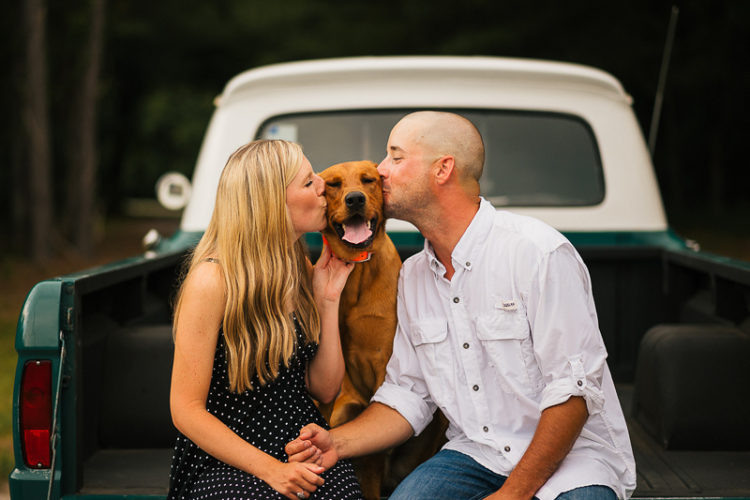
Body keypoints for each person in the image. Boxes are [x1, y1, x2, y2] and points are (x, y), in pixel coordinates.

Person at [286, 112, 636, 500]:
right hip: (475, 456)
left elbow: (574, 391)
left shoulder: (538, 252)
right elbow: (408, 395)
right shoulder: (415, 275)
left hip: (573, 462)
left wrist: (512, 494)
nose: (381, 171)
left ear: (443, 169)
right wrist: (336, 443)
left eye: (395, 157)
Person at [167, 139, 364, 500]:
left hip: (298, 446)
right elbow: (186, 410)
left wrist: (327, 299)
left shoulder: (298, 266)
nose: (323, 184)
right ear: (270, 201)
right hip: (227, 458)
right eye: (308, 182)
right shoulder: (212, 280)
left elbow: (324, 388)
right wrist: (272, 471)